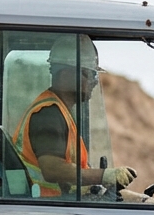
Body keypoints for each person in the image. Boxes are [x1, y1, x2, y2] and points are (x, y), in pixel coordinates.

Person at [12, 34, 135, 197]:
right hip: (45, 207)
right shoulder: (48, 113)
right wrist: (105, 175)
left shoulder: (61, 112)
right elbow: (52, 169)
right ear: (65, 75)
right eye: (90, 74)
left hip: (53, 205)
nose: (95, 81)